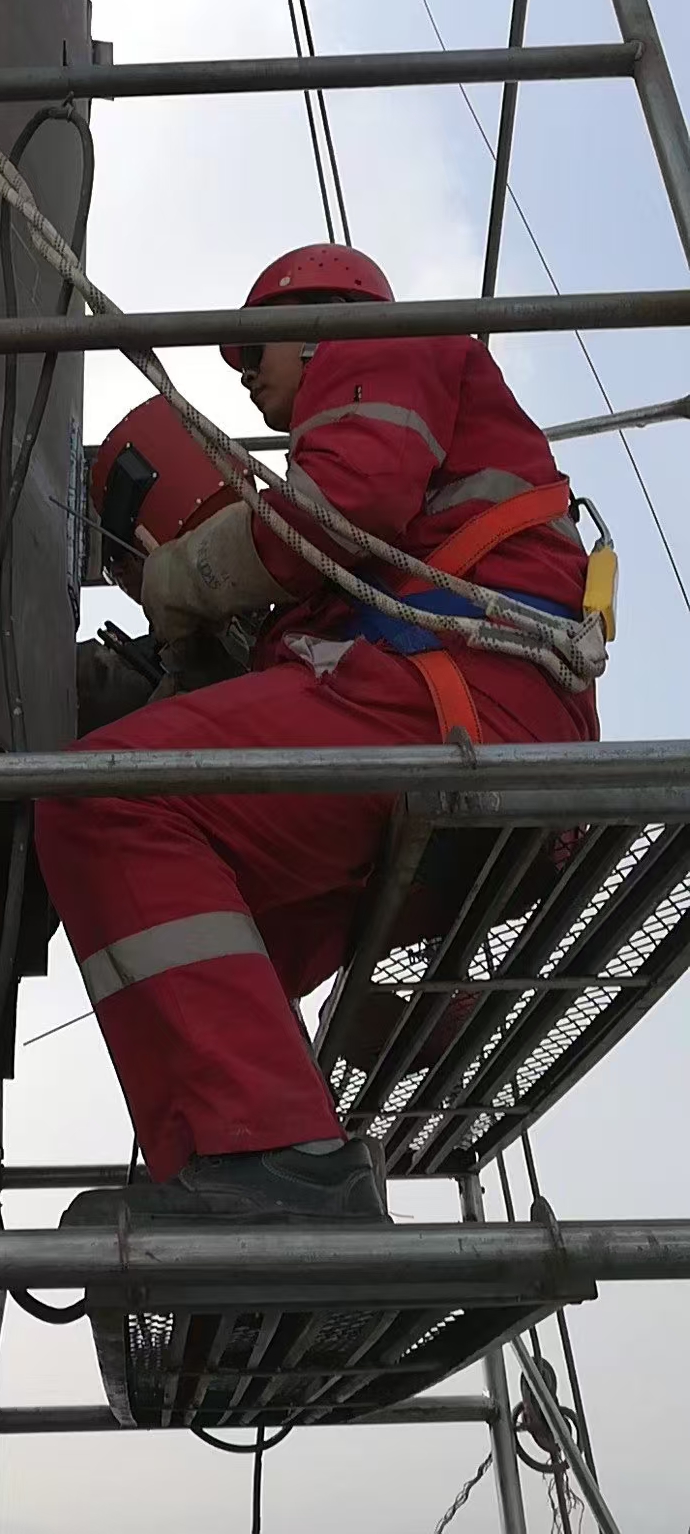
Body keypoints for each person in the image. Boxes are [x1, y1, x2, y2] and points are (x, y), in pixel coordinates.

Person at [35, 244, 599, 1229]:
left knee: (105, 798)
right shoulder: (411, 480)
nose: (246, 373)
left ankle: (276, 1170)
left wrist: (184, 576)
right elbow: (327, 603)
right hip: (452, 715)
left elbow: (344, 506)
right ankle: (229, 1167)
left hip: (458, 706)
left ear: (326, 318)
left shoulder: (387, 346)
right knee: (223, 916)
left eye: (255, 347)